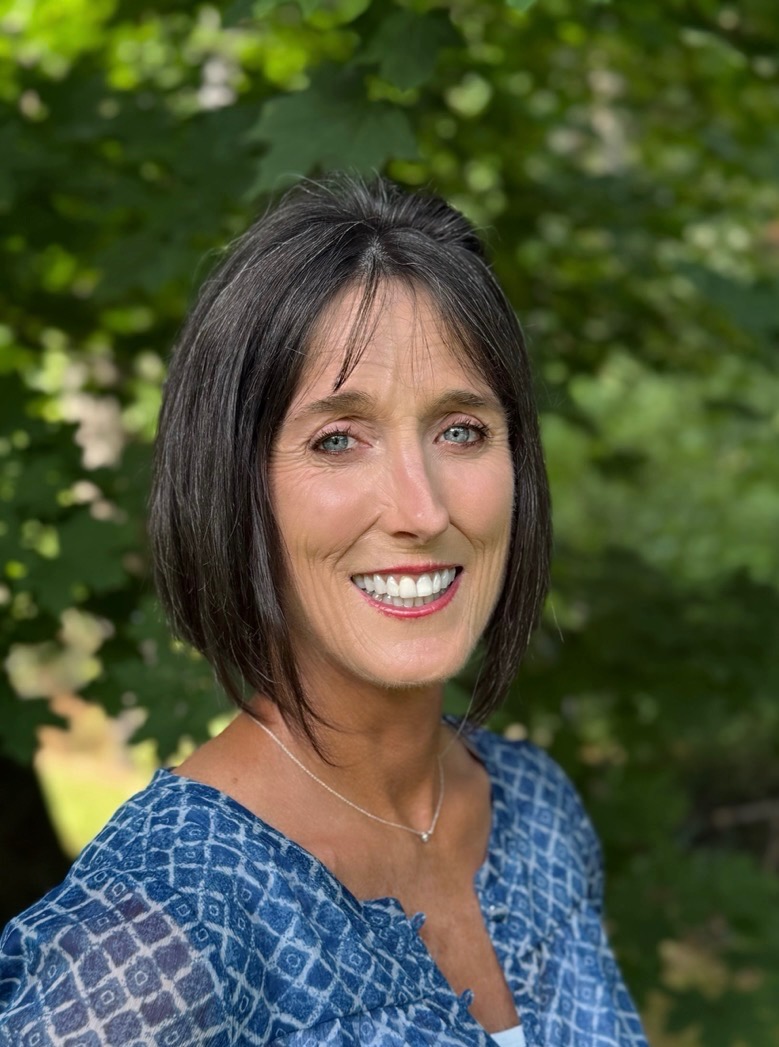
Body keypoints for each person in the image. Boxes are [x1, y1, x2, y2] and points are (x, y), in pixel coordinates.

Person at [0, 175, 649, 1046]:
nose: (420, 507)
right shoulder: (165, 927)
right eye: (337, 439)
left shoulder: (536, 815)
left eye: (460, 429)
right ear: (234, 489)